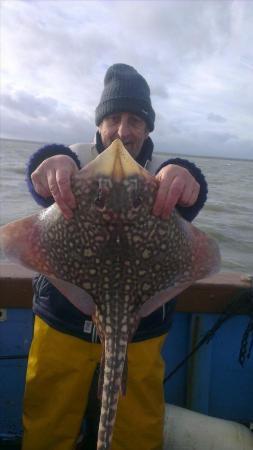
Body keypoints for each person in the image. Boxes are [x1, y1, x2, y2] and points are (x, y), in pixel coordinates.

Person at [23, 63, 207, 450]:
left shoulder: (158, 175)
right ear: (99, 124)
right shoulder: (75, 162)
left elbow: (190, 194)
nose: (123, 131)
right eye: (114, 119)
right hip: (63, 323)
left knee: (136, 430)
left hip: (141, 328)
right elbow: (46, 176)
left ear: (148, 129)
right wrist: (50, 165)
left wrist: (186, 175)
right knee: (47, 425)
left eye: (135, 121)